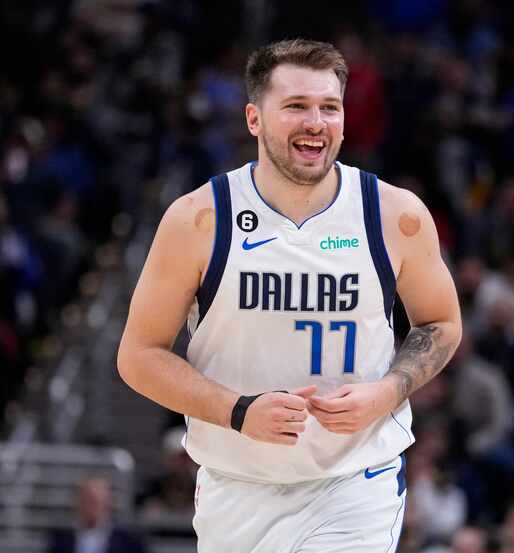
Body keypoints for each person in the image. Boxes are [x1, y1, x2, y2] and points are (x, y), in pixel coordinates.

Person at [117, 38, 462, 553]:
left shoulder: (395, 215)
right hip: (236, 485)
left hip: (355, 482)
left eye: (330, 107)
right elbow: (138, 356)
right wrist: (238, 411)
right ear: (254, 119)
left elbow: (441, 324)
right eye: (296, 106)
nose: (316, 122)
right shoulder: (198, 220)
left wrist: (386, 393)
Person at [46, 476, 146, 553]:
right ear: (78, 503)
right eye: (87, 501)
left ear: (109, 503)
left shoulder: (129, 541)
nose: (92, 507)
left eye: (97, 502)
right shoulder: (61, 539)